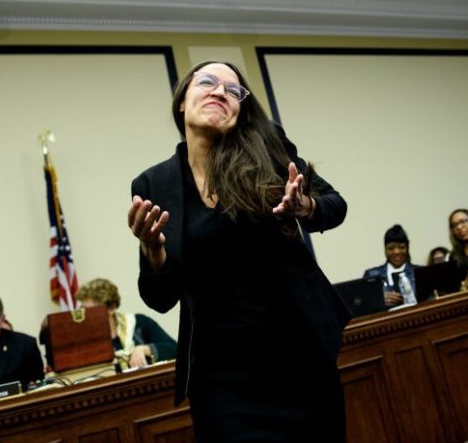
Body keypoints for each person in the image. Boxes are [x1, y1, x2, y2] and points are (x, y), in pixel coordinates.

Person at [127, 61, 350, 443]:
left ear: (240, 111)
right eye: (208, 82)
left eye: (234, 91)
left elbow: (335, 205)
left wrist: (305, 206)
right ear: (182, 101)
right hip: (221, 380)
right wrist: (152, 251)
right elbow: (159, 298)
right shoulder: (153, 183)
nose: (220, 92)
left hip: (300, 357)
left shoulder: (266, 149)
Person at [76, 278, 176, 369]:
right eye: (84, 310)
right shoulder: (84, 339)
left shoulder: (139, 323)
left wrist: (145, 349)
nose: (87, 315)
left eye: (92, 311)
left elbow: (174, 348)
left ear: (111, 308)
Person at [363, 224, 419, 307]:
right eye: (391, 248)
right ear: (385, 249)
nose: (396, 252)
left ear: (408, 247)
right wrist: (378, 300)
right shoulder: (372, 275)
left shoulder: (419, 272)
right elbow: (363, 305)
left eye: (401, 247)